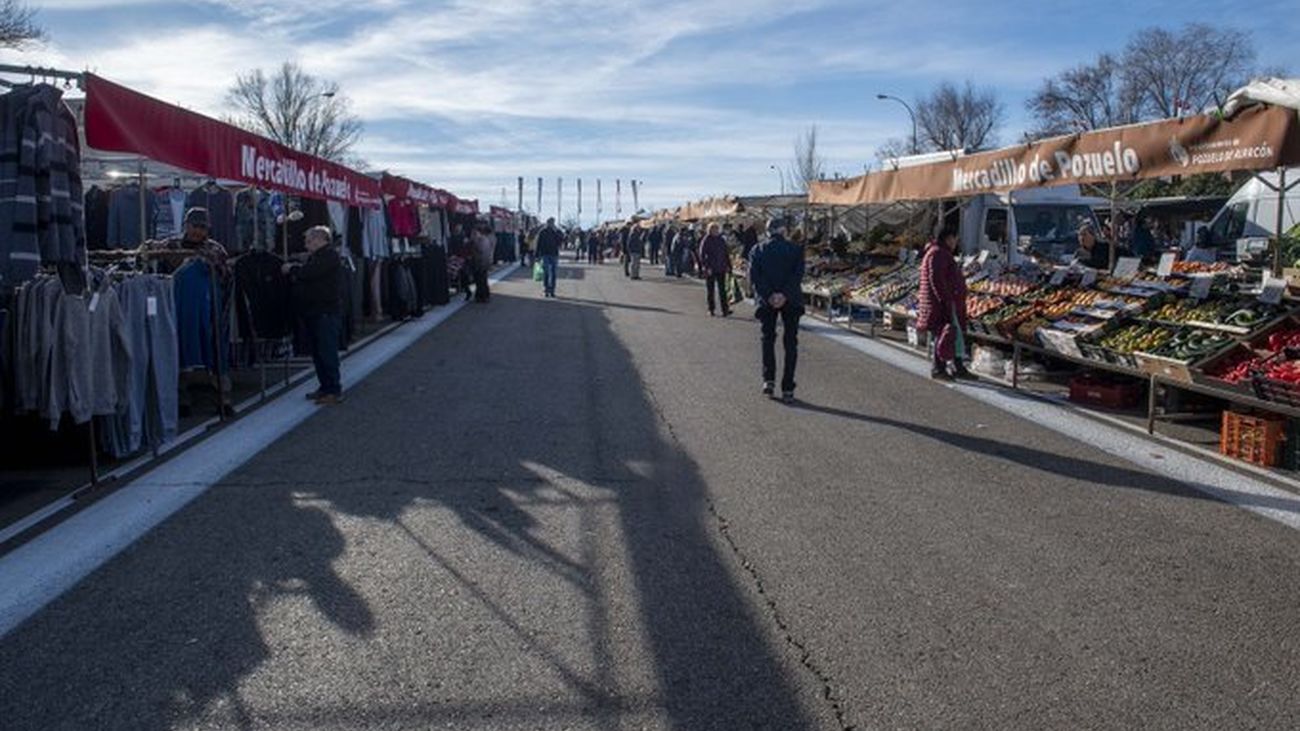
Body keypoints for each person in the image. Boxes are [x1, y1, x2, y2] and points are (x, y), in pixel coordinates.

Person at [284, 225, 344, 404]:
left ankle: (334, 389)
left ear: (321, 240)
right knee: (318, 353)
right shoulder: (317, 257)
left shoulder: (329, 256)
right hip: (315, 311)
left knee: (327, 352)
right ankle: (325, 386)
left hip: (326, 311)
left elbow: (310, 273)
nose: (306, 244)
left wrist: (292, 269)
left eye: (309, 240)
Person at [749, 219, 805, 403]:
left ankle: (768, 381)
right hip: (791, 300)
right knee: (790, 343)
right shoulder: (796, 250)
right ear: (782, 230)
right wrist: (784, 295)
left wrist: (770, 295)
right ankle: (788, 387)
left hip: (766, 300)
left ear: (768, 231)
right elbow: (797, 276)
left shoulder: (757, 250)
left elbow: (755, 277)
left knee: (767, 339)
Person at [918, 227, 975, 382]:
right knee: (944, 333)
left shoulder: (938, 252)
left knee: (953, 334)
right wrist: (945, 300)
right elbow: (936, 279)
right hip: (941, 302)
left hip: (945, 301)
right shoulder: (938, 253)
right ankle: (939, 368)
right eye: (956, 239)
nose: (956, 243)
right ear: (949, 238)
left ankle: (957, 367)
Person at [699, 223, 733, 316]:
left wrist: (729, 266)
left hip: (721, 267)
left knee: (723, 290)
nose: (716, 231)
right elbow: (702, 255)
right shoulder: (706, 240)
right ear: (710, 230)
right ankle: (711, 309)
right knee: (710, 290)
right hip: (711, 268)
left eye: (717, 229)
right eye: (714, 229)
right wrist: (706, 267)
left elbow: (726, 253)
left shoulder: (721, 240)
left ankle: (725, 309)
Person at [536, 217, 564, 297]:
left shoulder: (556, 232)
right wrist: (537, 255)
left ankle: (552, 290)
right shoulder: (542, 232)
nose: (551, 224)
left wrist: (557, 232)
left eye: (552, 223)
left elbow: (561, 241)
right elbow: (539, 243)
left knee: (553, 273)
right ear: (547, 223)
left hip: (554, 254)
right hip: (545, 254)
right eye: (550, 223)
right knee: (546, 272)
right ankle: (546, 289)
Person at [472, 224, 495, 302]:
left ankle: (481, 296)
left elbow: (480, 251)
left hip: (480, 263)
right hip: (485, 262)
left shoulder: (480, 241)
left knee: (480, 281)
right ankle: (485, 295)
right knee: (483, 280)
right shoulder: (486, 239)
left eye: (475, 233)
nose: (474, 234)